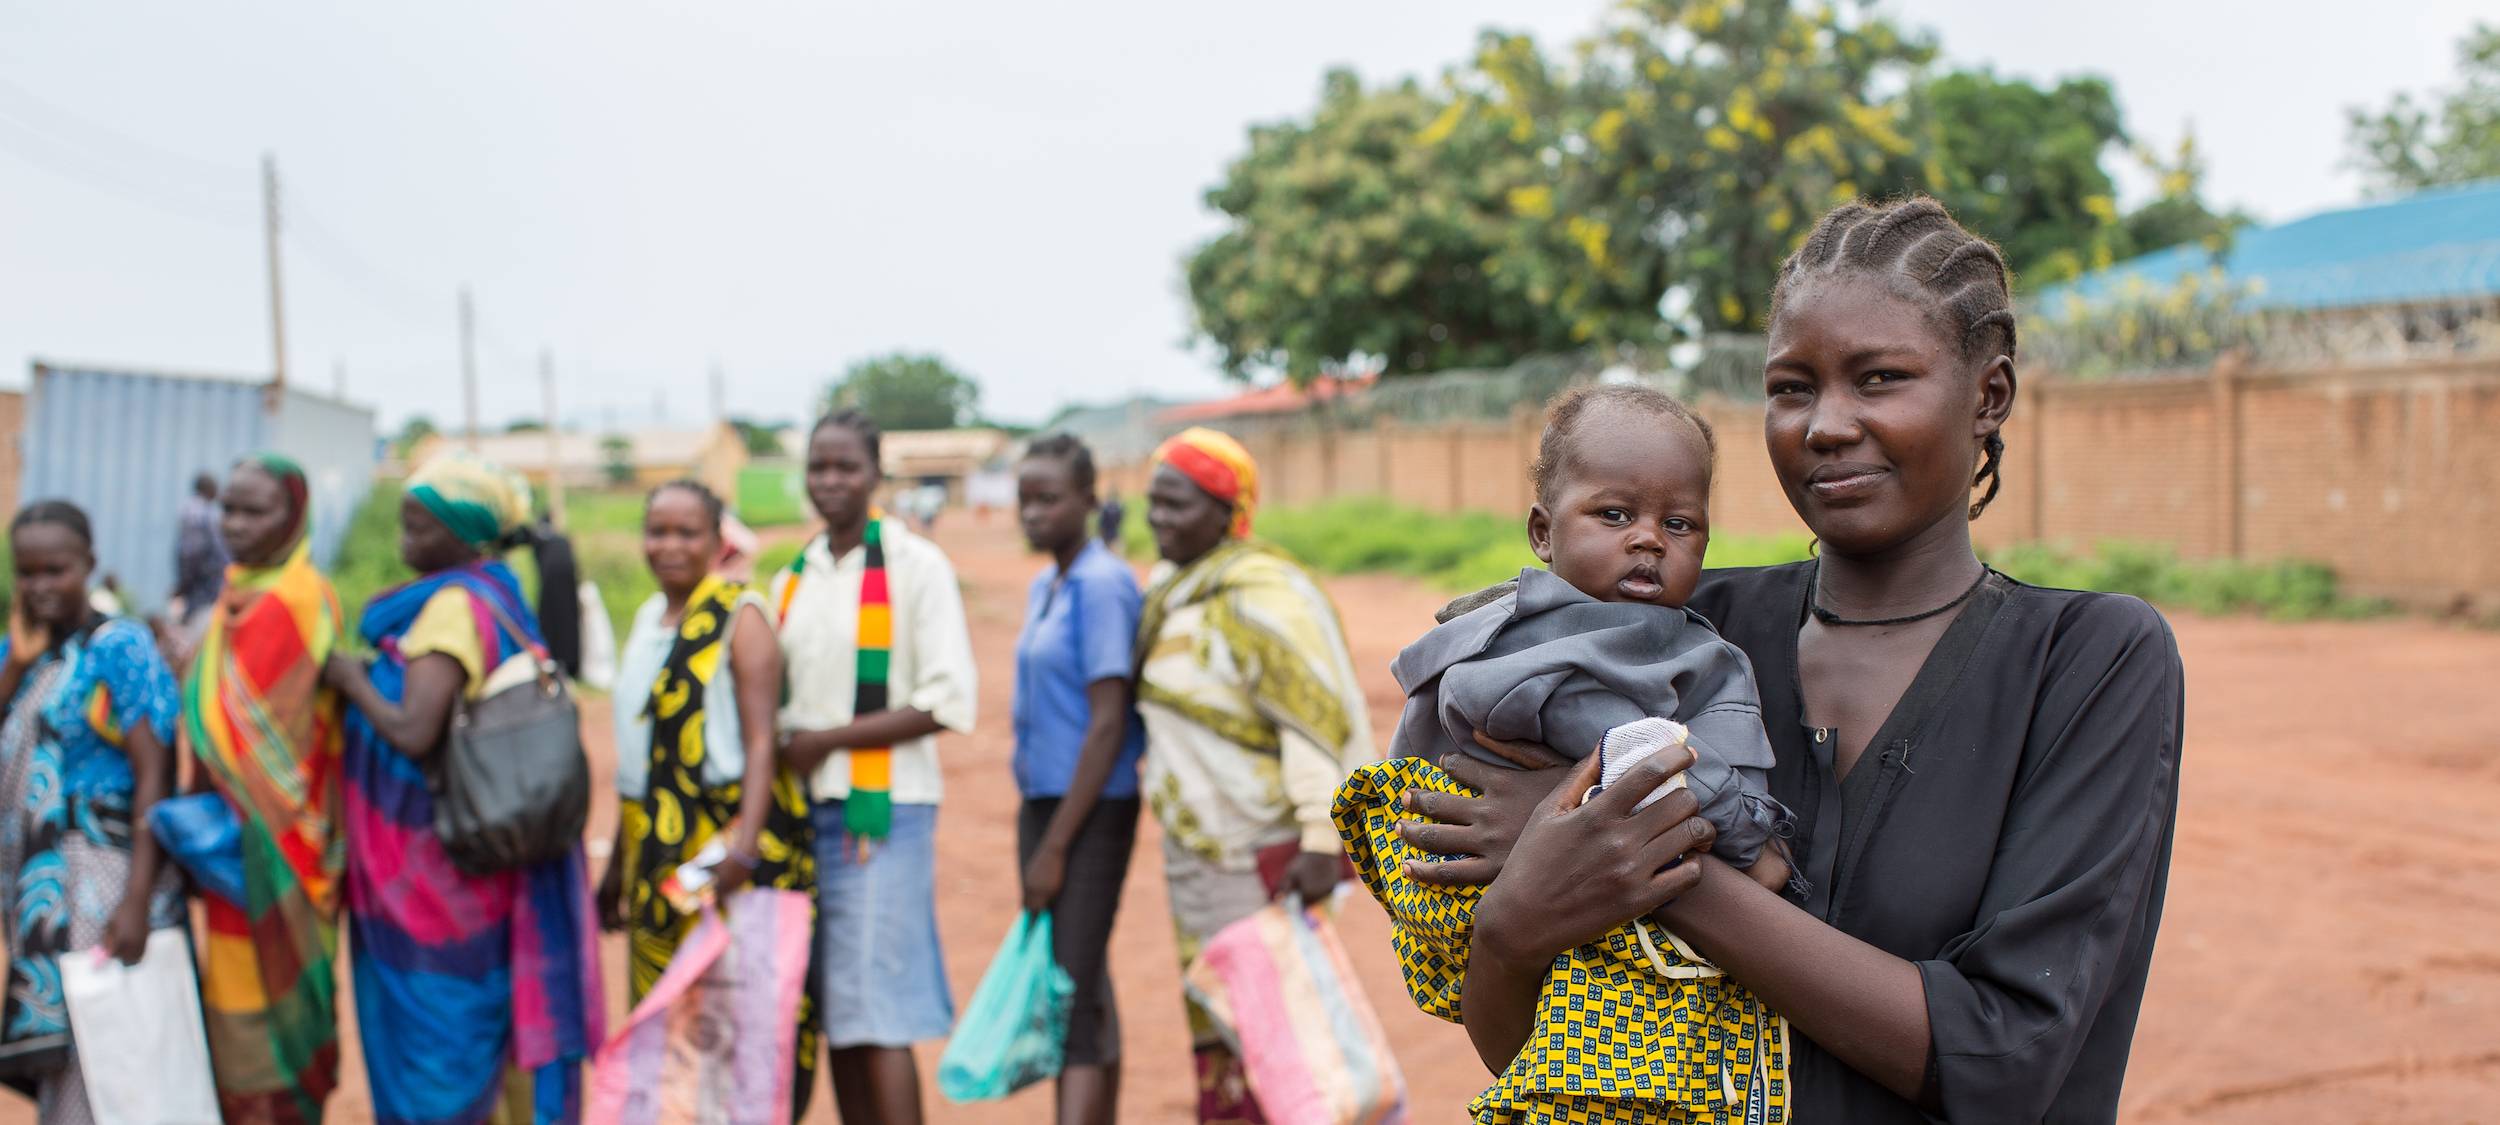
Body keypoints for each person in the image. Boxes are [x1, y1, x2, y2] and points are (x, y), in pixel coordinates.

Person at [1397, 197, 2186, 1122]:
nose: (1825, 425)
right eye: (1791, 387)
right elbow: (1528, 1053)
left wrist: (1647, 860)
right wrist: (1511, 929)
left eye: (1880, 378)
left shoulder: (2087, 660)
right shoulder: (1668, 639)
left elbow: (2003, 1057)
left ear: (1990, 395)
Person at [1336, 385, 1796, 1122]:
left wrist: (1728, 814)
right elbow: (1623, 751)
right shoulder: (1523, 637)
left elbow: (1724, 766)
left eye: (1679, 523)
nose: (1649, 538)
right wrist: (1736, 825)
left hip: (1622, 916)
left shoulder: (1697, 648)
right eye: (1614, 515)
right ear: (1543, 533)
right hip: (1517, 899)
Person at [321, 454, 603, 1125]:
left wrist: (350, 678)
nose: (405, 540)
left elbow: (415, 730)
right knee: (486, 1027)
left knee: (438, 1048)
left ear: (466, 537)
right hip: (479, 868)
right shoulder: (498, 590)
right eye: (404, 523)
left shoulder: (451, 608)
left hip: (429, 881)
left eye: (420, 527)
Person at [1132, 427, 1377, 1124]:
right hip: (1196, 855)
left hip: (1261, 856)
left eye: (1176, 505)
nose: (1158, 520)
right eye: (1152, 503)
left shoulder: (1267, 595)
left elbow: (1309, 731)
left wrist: (1319, 841)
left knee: (1286, 1045)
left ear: (1225, 510)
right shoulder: (1172, 590)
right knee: (1226, 1030)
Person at [771, 411, 976, 1125]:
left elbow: (947, 700)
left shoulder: (917, 566)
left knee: (878, 1009)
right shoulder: (792, 578)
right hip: (808, 815)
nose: (830, 481)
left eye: (845, 467)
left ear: (876, 474)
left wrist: (827, 740)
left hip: (884, 812)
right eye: (818, 467)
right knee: (837, 1008)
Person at [597, 480, 819, 1118]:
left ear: (718, 540)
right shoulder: (645, 621)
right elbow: (639, 762)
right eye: (657, 532)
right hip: (655, 855)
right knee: (669, 1029)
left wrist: (742, 851)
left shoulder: (739, 615)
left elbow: (759, 743)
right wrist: (617, 865)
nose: (668, 546)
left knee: (742, 1023)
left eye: (686, 533)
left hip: (722, 849)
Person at [0, 501, 186, 1122]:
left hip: (103, 877)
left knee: (109, 1057)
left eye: (57, 570)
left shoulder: (119, 646)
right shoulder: (30, 655)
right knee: (74, 1053)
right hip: (43, 890)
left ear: (90, 565)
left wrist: (135, 900)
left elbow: (154, 771)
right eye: (27, 573)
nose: (41, 586)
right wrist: (20, 663)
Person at [184, 455, 347, 1123]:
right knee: (235, 1010)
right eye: (229, 509)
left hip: (288, 848)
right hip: (229, 849)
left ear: (295, 516)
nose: (237, 525)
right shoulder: (232, 596)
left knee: (285, 1015)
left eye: (257, 511)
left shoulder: (299, 596)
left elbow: (259, 737)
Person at [1011, 434, 1146, 1125]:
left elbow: (1107, 722)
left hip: (1089, 809)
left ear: (1090, 501)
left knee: (1068, 989)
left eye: (1049, 498)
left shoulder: (1100, 582)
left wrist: (1057, 845)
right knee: (1082, 975)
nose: (1033, 511)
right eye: (1024, 498)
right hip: (1047, 803)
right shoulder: (1050, 580)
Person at [171, 470, 231, 655]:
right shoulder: (198, 513)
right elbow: (191, 553)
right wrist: (184, 586)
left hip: (204, 594)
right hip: (203, 593)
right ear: (208, 488)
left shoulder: (200, 512)